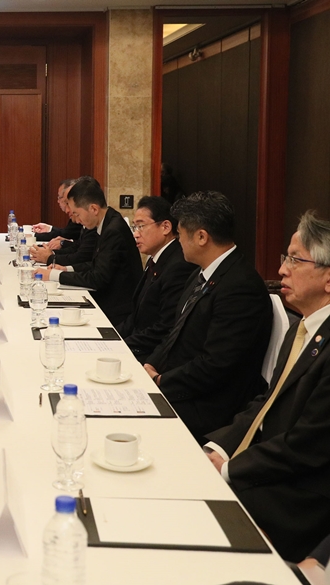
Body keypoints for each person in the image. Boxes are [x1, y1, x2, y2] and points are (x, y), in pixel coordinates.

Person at [203, 211, 330, 562]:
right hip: (272, 465)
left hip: (303, 495)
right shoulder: (302, 327)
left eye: (295, 259)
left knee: (198, 509)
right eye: (285, 257)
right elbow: (268, 400)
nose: (282, 270)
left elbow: (306, 446)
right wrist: (221, 449)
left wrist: (229, 470)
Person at [144, 191, 272, 444]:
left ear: (202, 236)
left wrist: (160, 381)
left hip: (207, 405)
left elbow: (216, 365)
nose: (178, 241)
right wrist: (150, 365)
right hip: (181, 384)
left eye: (180, 235)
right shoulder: (202, 273)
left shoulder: (240, 287)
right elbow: (175, 332)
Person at [33, 176, 143, 324]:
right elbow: (94, 263)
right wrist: (65, 269)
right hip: (108, 299)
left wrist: (54, 275)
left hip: (117, 310)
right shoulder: (106, 222)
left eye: (77, 214)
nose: (77, 220)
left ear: (93, 209)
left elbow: (98, 278)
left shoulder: (113, 230)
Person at [117, 196, 197, 362]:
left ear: (166, 227)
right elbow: (137, 316)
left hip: (153, 354)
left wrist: (121, 346)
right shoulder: (155, 258)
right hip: (138, 342)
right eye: (134, 227)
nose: (135, 234)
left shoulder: (178, 265)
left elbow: (165, 327)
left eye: (141, 226)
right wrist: (113, 336)